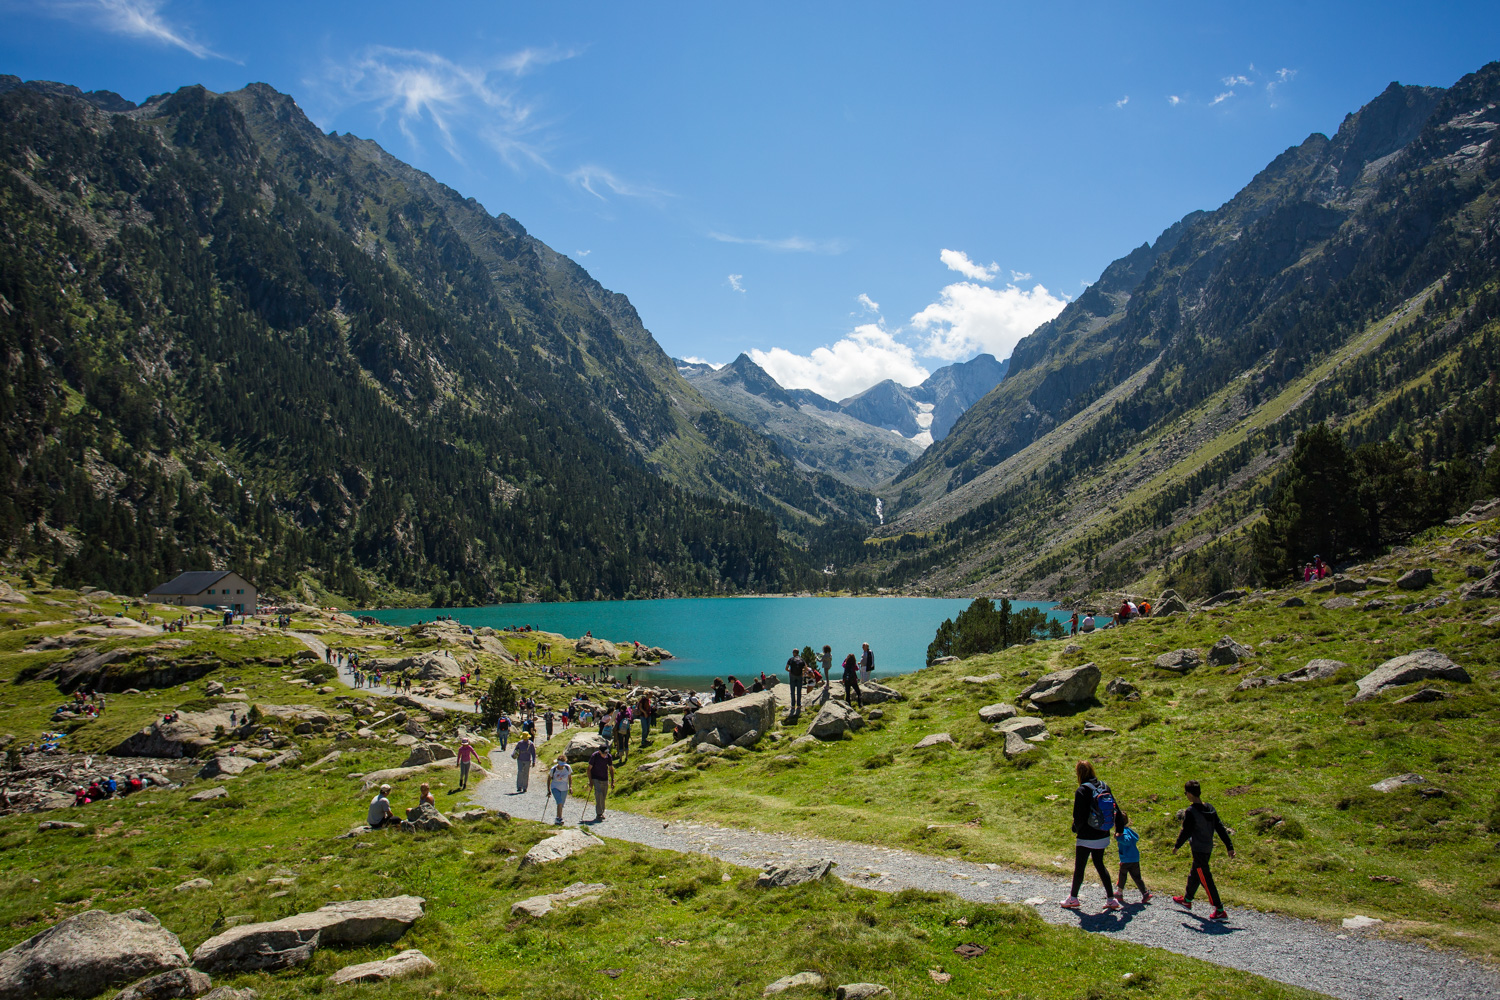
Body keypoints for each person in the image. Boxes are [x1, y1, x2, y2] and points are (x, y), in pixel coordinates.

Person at [1061, 760, 1120, 910]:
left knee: (1080, 867)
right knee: (1100, 864)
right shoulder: (1104, 786)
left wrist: (1076, 829)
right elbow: (1116, 809)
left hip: (1086, 836)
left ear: (1079, 774)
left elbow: (1078, 816)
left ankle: (1073, 898)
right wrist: (1119, 829)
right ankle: (1111, 899)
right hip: (1103, 834)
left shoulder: (1082, 790)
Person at [1172, 779, 1235, 920]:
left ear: (1189, 794)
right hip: (1207, 848)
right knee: (1195, 874)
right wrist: (1229, 846)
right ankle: (1187, 900)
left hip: (1198, 849)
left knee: (1205, 879)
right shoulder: (1210, 808)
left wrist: (1177, 846)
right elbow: (1220, 828)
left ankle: (1219, 909)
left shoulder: (1191, 811)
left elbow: (1185, 831)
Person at [1114, 808, 1151, 903]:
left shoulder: (1123, 832)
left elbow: (1127, 841)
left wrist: (1119, 838)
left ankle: (1119, 893)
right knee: (1137, 877)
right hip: (1135, 858)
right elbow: (1136, 836)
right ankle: (1145, 893)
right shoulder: (1129, 830)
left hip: (1126, 859)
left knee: (1122, 875)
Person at [587, 744, 615, 822]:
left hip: (605, 778)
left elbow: (611, 769)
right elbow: (589, 769)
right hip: (595, 778)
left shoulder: (608, 756)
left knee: (603, 796)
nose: (605, 754)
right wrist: (590, 781)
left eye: (606, 752)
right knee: (598, 794)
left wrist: (612, 780)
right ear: (599, 752)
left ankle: (601, 812)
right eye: (604, 753)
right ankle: (599, 813)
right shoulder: (594, 756)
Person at [548, 756, 573, 826]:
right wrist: (548, 790)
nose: (562, 766)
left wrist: (570, 787)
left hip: (564, 788)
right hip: (555, 787)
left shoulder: (568, 768)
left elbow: (570, 778)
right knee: (559, 802)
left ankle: (557, 818)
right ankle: (560, 818)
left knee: (561, 804)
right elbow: (549, 779)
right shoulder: (553, 769)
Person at [785, 649, 805, 713]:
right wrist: (802, 672)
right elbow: (806, 668)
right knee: (799, 691)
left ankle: (793, 705)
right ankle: (799, 705)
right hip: (799, 676)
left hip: (792, 676)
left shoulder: (791, 659)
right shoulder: (801, 659)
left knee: (792, 691)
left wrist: (790, 671)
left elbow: (786, 668)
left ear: (794, 653)